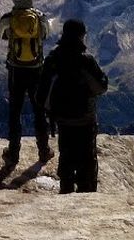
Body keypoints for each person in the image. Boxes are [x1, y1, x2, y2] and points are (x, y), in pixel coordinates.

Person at [38, 18, 109, 194]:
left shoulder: (53, 58)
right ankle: (87, 194)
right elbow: (101, 87)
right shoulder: (86, 60)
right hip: (86, 119)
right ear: (81, 36)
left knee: (66, 157)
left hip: (62, 119)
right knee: (87, 160)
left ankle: (66, 192)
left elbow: (41, 94)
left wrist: (50, 110)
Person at [0, 0, 52, 165]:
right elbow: (45, 35)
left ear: (15, 0)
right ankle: (44, 151)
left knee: (15, 111)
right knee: (39, 110)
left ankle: (13, 153)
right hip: (37, 69)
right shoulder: (40, 17)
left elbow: (0, 34)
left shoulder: (9, 18)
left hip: (16, 69)